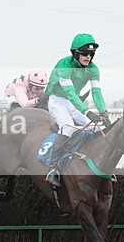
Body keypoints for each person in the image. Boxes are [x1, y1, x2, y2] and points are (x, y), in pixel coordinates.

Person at [44, 33, 110, 186]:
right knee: (68, 128)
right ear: (75, 53)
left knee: (96, 128)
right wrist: (87, 111)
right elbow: (70, 93)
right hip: (57, 100)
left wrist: (103, 112)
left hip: (73, 103)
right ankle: (52, 168)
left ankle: (96, 166)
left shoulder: (94, 69)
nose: (88, 57)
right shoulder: (64, 65)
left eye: (91, 54)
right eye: (85, 53)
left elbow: (96, 92)